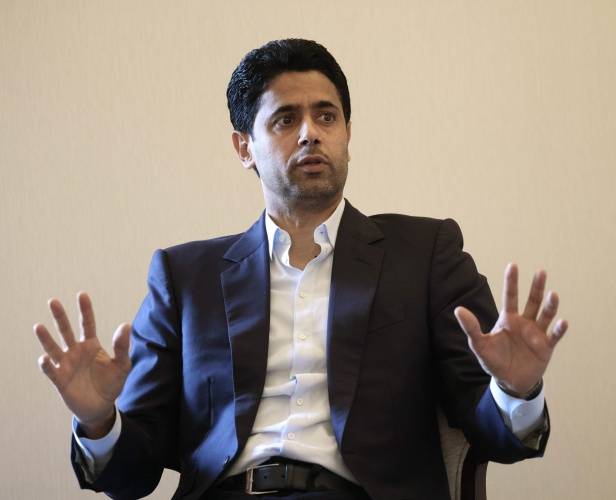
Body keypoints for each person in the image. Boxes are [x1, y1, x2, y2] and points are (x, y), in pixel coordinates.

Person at [33, 39, 569, 500]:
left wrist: (515, 390)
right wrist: (98, 421)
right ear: (244, 147)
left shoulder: (424, 253)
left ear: (347, 133)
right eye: (286, 119)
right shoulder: (185, 277)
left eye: (326, 115)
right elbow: (132, 476)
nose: (310, 132)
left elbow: (489, 429)